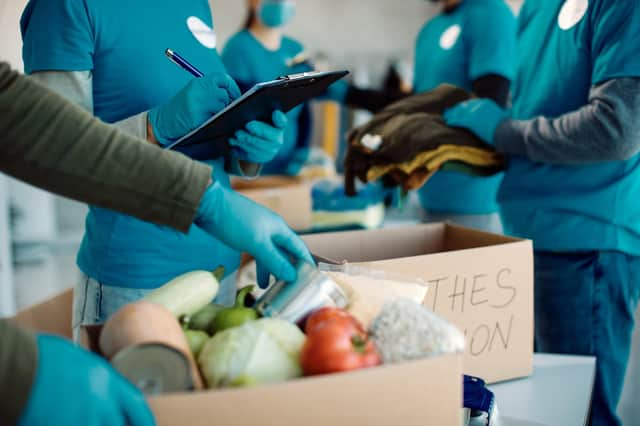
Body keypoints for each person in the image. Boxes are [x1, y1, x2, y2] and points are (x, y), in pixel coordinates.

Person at [0, 62, 312, 426]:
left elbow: (16, 110)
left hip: (210, 275)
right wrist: (14, 369)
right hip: (131, 276)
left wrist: (211, 195)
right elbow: (37, 127)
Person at [20, 0, 289, 337]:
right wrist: (153, 126)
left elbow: (202, 134)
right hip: (137, 282)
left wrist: (247, 148)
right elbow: (52, 151)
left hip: (220, 272)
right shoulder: (66, 7)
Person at [443, 1, 640, 424]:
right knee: (542, 411)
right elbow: (535, 109)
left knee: (584, 416)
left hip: (587, 241)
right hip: (525, 237)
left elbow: (618, 129)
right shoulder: (537, 7)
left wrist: (503, 130)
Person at [327, 0, 516, 234]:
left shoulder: (491, 14)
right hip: (427, 195)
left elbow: (489, 105)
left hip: (475, 202)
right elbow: (414, 104)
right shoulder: (431, 29)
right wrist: (347, 93)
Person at [222, 0, 313, 176]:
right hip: (250, 165)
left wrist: (302, 152)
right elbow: (238, 112)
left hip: (289, 166)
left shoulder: (296, 50)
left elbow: (304, 110)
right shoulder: (238, 48)